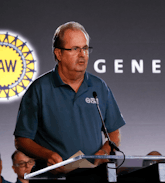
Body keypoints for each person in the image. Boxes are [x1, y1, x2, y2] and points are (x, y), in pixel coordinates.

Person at [14, 21, 126, 174]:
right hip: (52, 180)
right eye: (75, 49)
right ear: (58, 53)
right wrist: (48, 155)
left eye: (85, 48)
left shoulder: (99, 86)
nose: (82, 55)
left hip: (91, 178)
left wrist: (105, 150)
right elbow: (22, 140)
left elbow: (114, 132)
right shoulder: (39, 89)